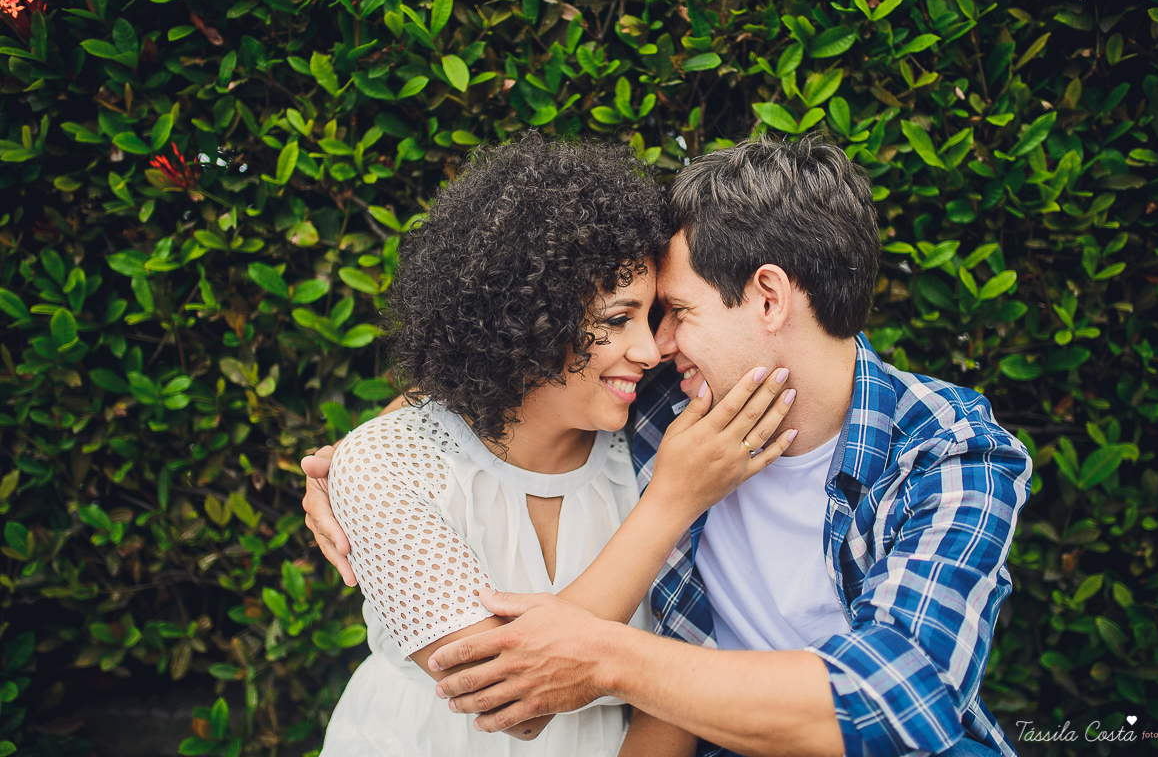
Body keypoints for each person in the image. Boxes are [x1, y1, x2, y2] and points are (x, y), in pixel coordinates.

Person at [305, 136, 1031, 757]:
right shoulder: (658, 405)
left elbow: (894, 702)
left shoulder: (948, 452)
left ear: (770, 298)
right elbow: (513, 361)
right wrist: (357, 457)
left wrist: (605, 659)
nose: (655, 347)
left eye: (676, 312)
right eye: (647, 317)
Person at [310, 133, 798, 757]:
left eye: (653, 318)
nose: (651, 351)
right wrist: (674, 500)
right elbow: (506, 697)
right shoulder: (392, 463)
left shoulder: (652, 442)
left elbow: (679, 678)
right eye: (619, 319)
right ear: (528, 315)